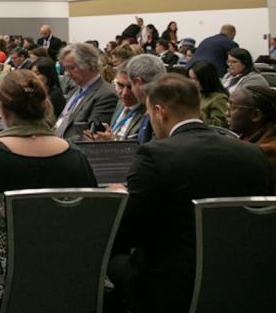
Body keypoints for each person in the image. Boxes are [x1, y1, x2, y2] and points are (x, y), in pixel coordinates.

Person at [0, 70, 98, 312]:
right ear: (45, 106)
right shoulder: (75, 157)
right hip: (62, 277)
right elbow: (89, 216)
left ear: (1, 108)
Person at [108, 74, 272, 313]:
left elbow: (129, 232)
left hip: (170, 285)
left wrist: (123, 197)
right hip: (239, 276)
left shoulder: (154, 155)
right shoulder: (252, 154)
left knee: (111, 255)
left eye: (149, 113)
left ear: (160, 111)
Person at [84, 55, 166, 143]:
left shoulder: (153, 112)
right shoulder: (119, 102)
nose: (124, 93)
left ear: (139, 83)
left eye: (130, 86)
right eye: (120, 85)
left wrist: (113, 143)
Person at [54, 43, 118, 140]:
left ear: (89, 65)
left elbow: (90, 135)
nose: (67, 74)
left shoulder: (106, 95)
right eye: (66, 69)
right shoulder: (76, 89)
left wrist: (56, 144)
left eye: (72, 68)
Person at [228, 85, 276, 186]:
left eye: (232, 108)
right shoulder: (247, 137)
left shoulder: (265, 153)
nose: (226, 113)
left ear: (256, 115)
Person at [188, 60, 229, 127]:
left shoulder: (219, 98)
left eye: (196, 79)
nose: (192, 82)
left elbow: (219, 126)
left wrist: (197, 112)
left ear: (206, 79)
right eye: (190, 78)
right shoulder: (197, 93)